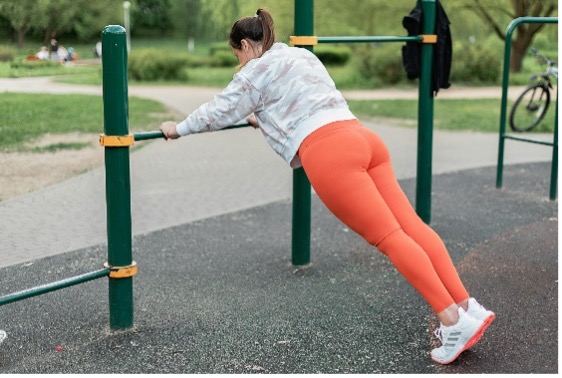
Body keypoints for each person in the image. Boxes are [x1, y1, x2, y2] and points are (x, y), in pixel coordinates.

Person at [159, 8, 495, 365]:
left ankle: (452, 321)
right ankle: (467, 305)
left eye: (237, 55)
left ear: (244, 45)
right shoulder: (299, 55)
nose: (239, 63)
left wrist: (177, 128)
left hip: (331, 154)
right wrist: (263, 117)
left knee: (391, 239)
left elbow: (218, 111)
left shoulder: (254, 72)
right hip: (363, 138)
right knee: (411, 226)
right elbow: (297, 99)